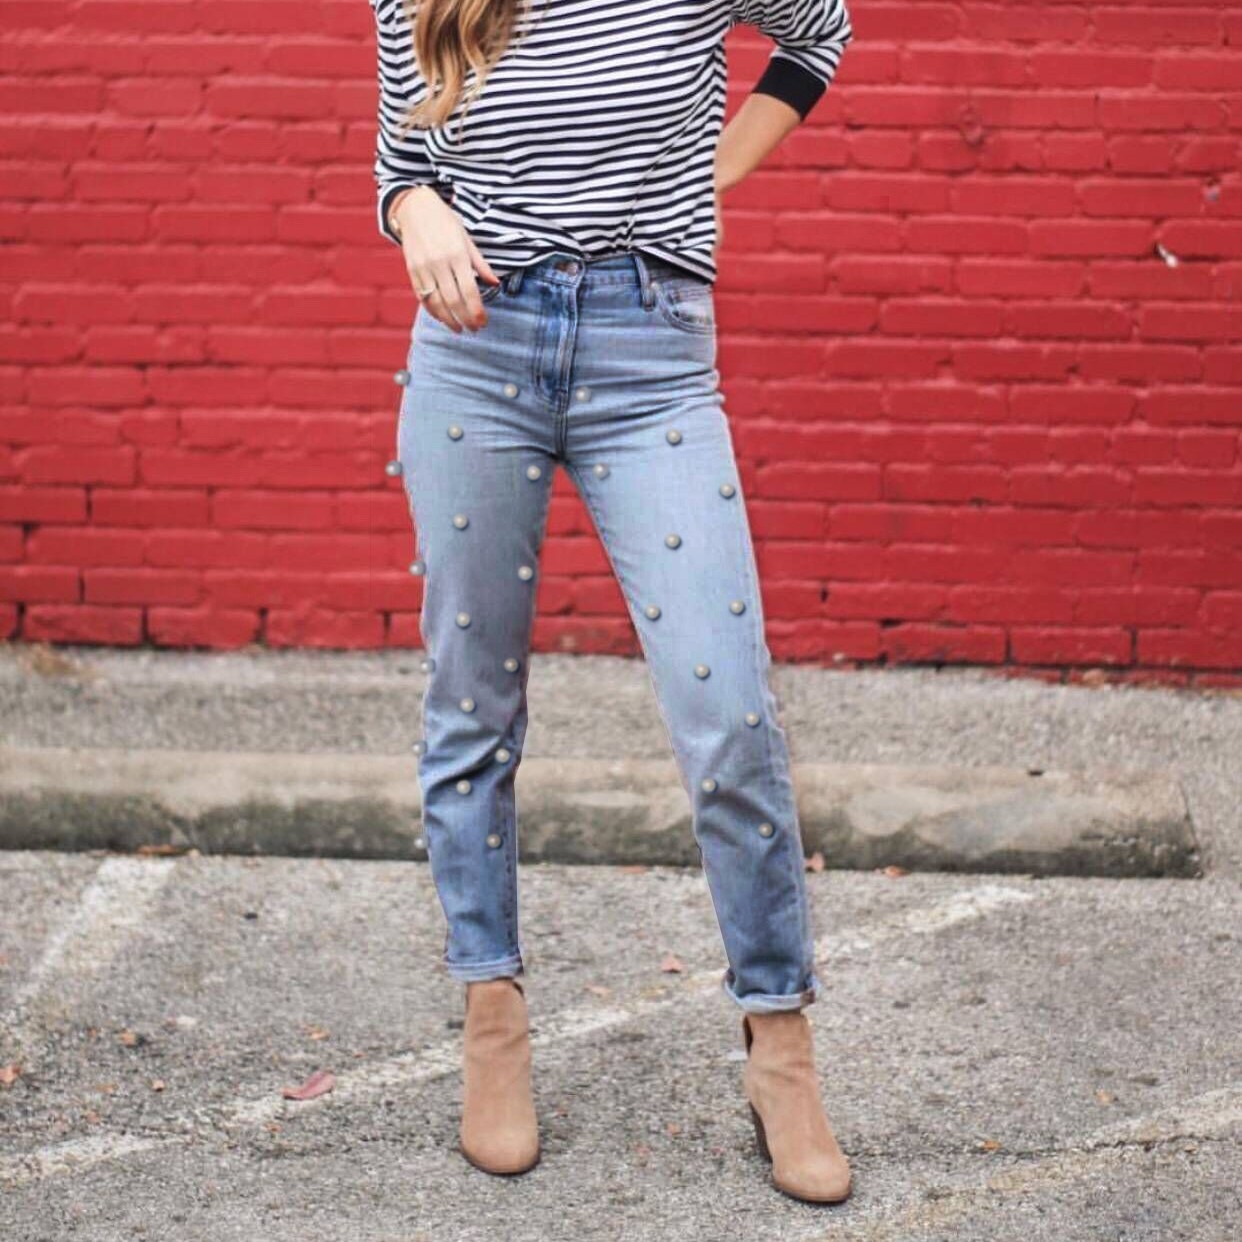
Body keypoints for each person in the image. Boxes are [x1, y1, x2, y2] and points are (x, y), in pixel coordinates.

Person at [369, 0, 854, 1204]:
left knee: (731, 718)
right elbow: (402, 158)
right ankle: (492, 1019)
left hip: (652, 358)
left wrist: (709, 176)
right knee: (471, 708)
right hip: (476, 350)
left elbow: (818, 33)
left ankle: (780, 1049)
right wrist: (414, 209)